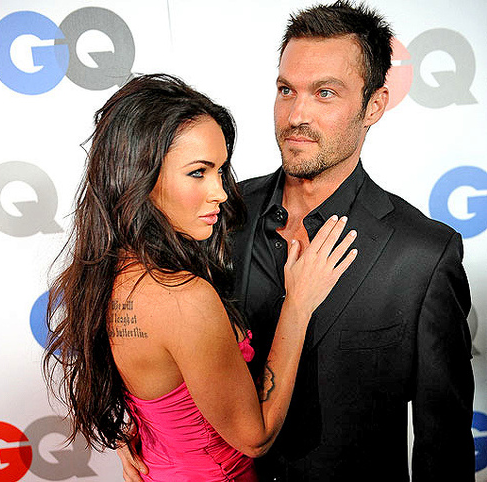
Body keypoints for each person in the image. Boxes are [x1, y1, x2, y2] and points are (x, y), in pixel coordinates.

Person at [119, 1, 475, 481]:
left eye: (325, 93)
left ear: (374, 106)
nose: (296, 114)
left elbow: (444, 444)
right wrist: (140, 422)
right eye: (286, 90)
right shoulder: (213, 215)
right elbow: (147, 327)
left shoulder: (422, 255)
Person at [43, 73, 358, 481]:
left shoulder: (104, 271)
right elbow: (256, 437)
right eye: (198, 173)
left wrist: (143, 432)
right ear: (138, 176)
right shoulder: (181, 296)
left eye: (220, 171)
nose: (221, 193)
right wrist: (297, 305)